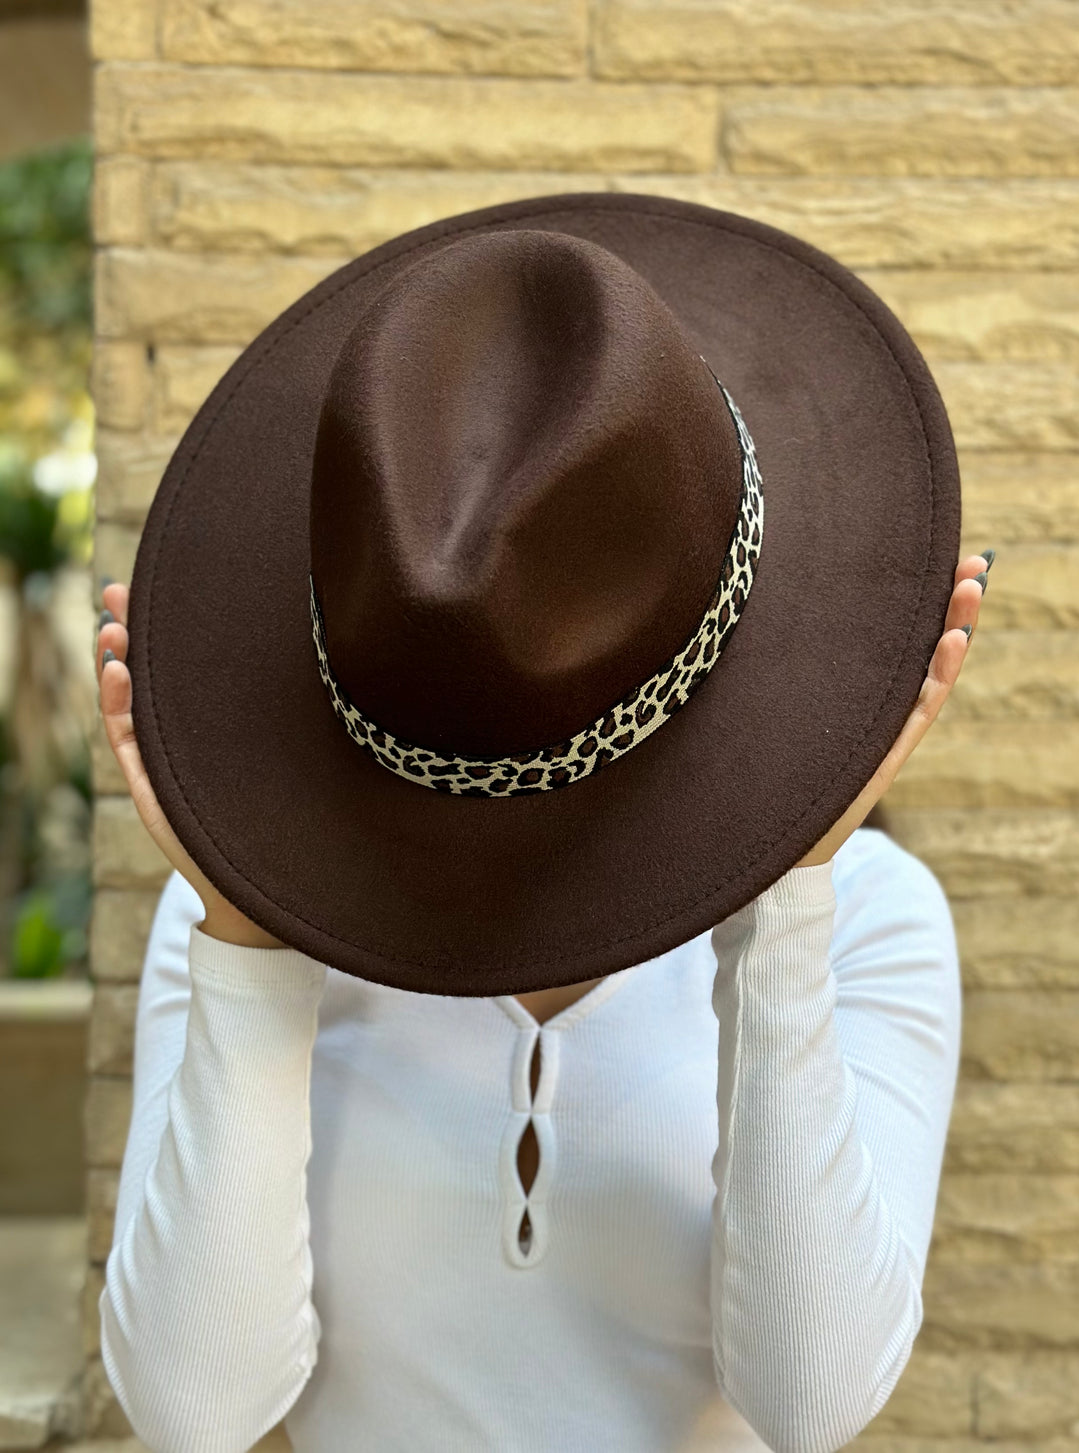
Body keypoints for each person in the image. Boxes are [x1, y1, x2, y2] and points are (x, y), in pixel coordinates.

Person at [93, 541, 985, 1453]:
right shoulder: (237, 913)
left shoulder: (867, 909)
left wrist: (784, 892)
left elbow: (812, 1403)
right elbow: (194, 1417)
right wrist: (251, 946)